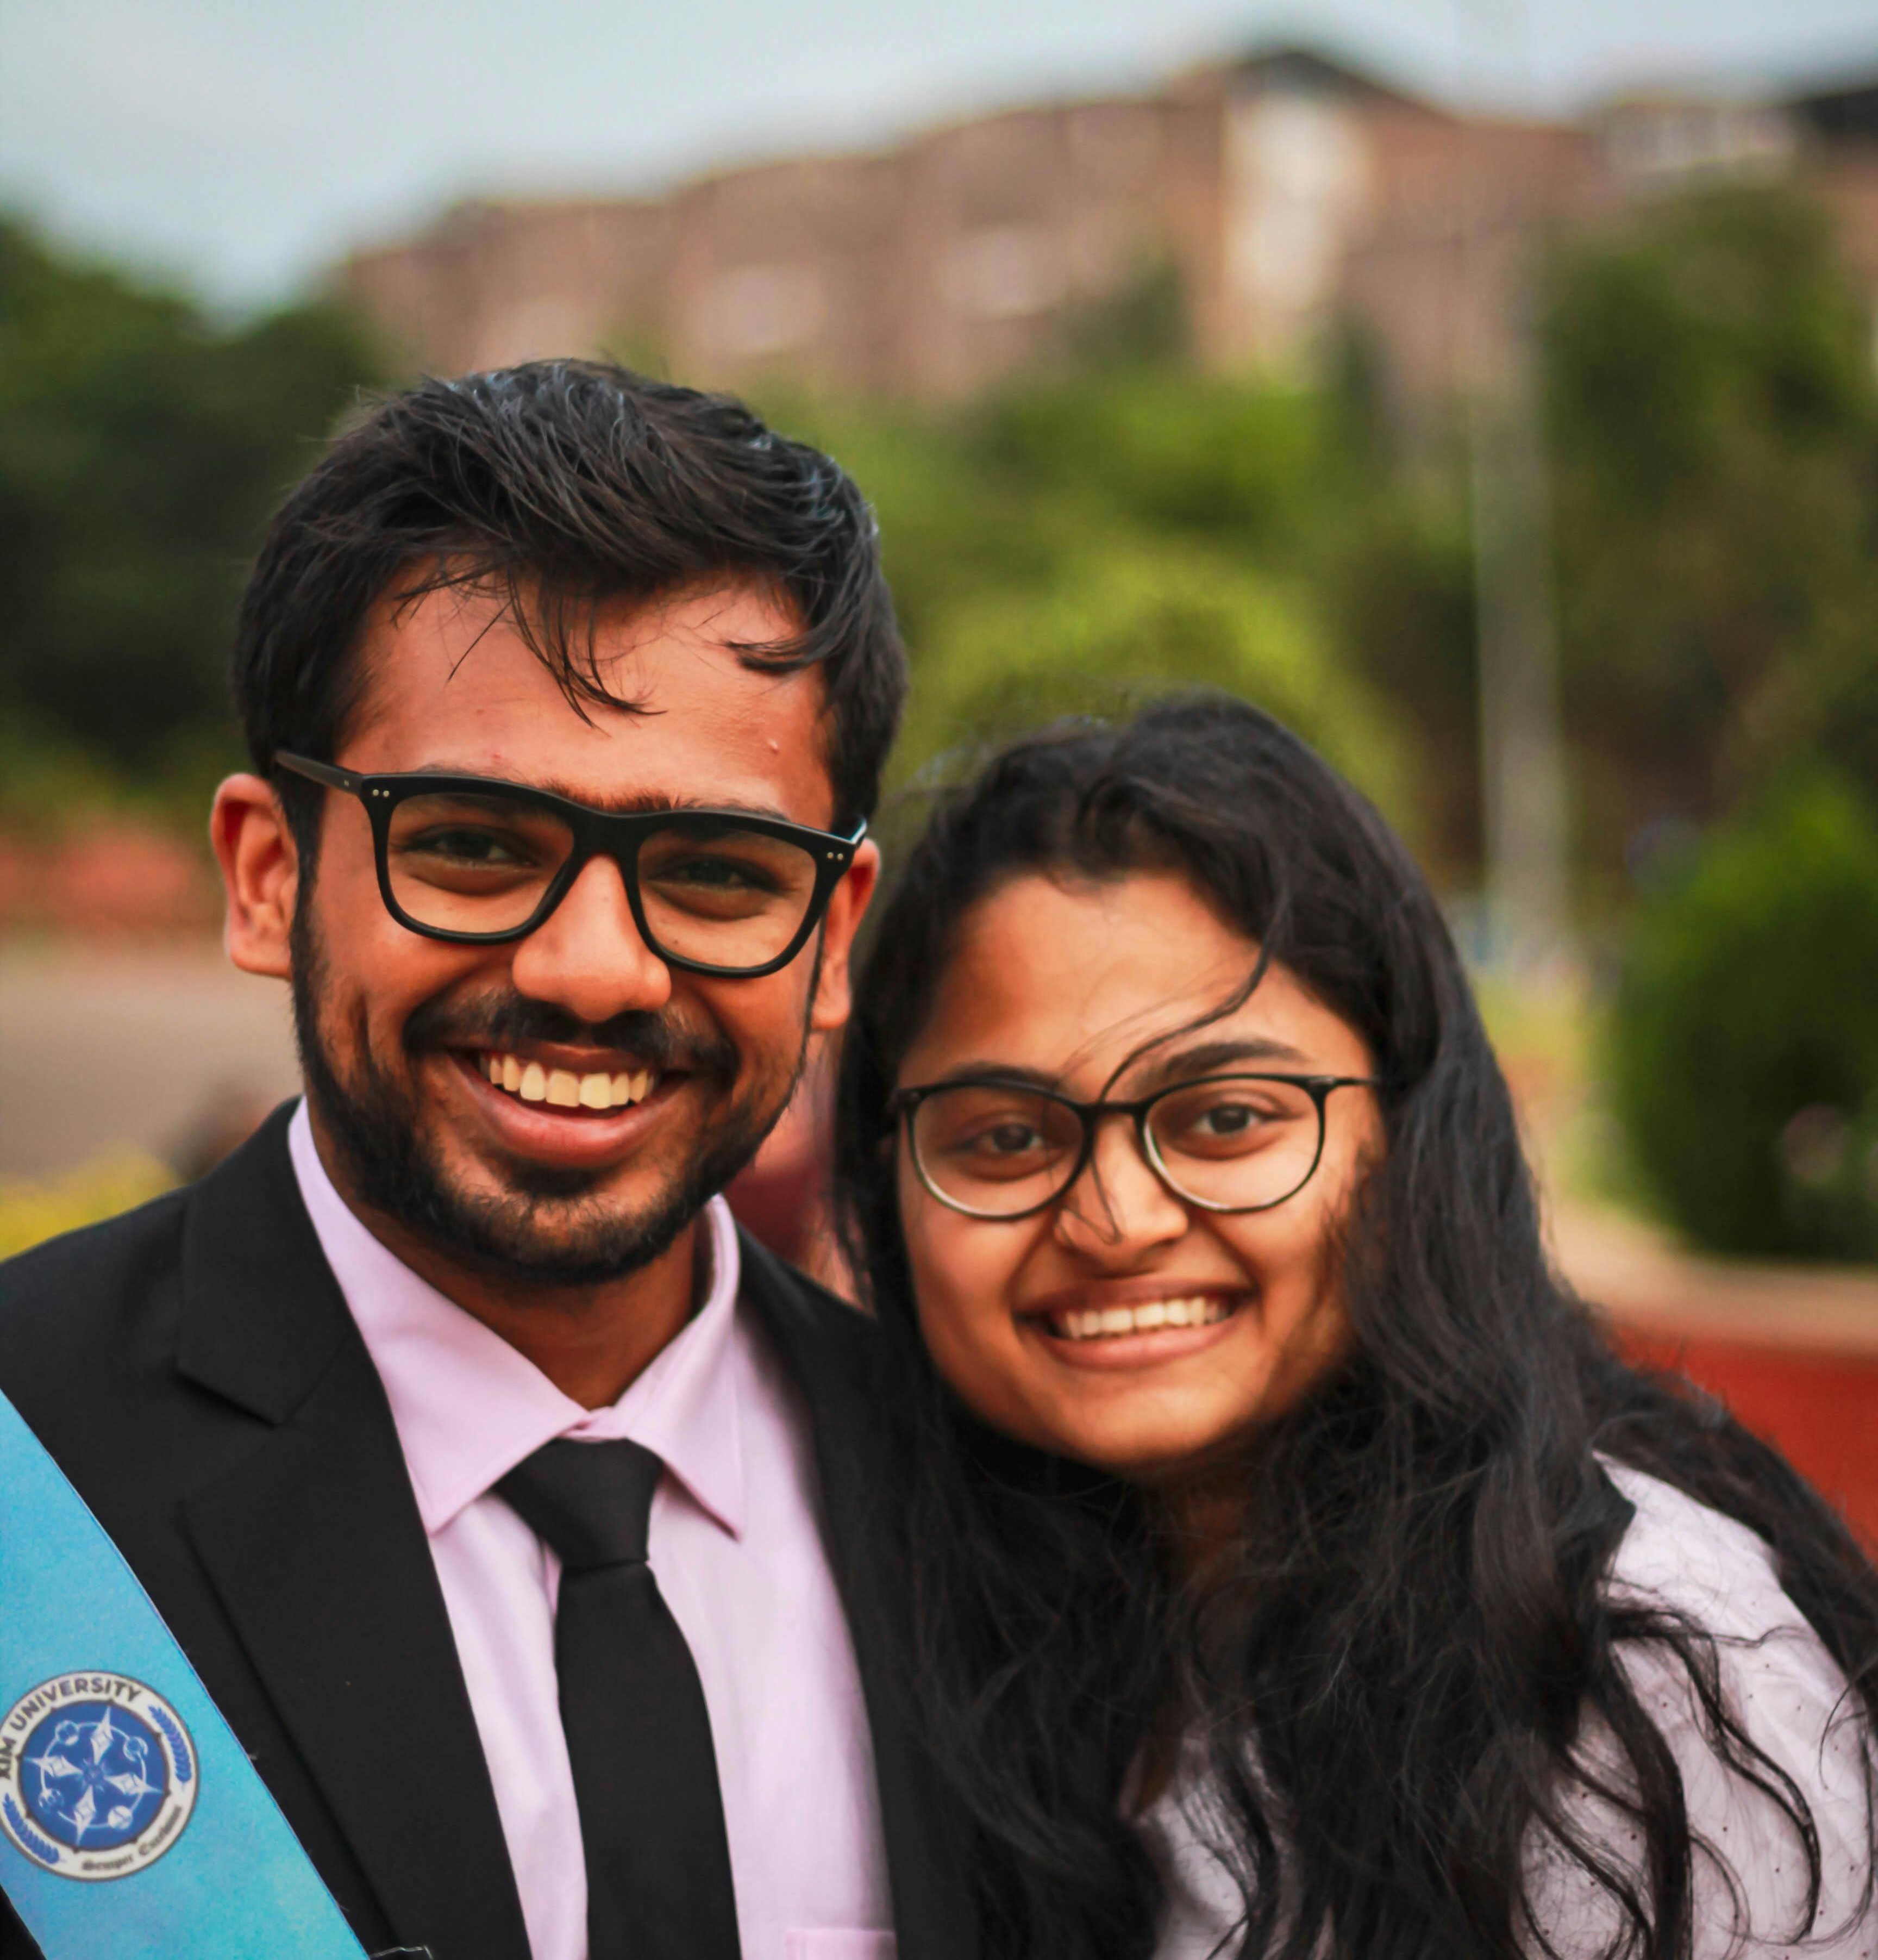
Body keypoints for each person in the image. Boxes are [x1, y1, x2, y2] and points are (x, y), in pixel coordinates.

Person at [0, 361, 972, 1960]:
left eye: (719, 870)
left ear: (834, 934)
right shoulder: (28, 1477)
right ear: (267, 873)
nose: (599, 967)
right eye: (467, 841)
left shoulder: (987, 1506)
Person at [832, 696, 1878, 1960]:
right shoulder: (972, 1635)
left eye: (1226, 1118)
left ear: (1410, 1135)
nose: (1114, 1218)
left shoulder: (1629, 1681)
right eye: (1005, 1137)